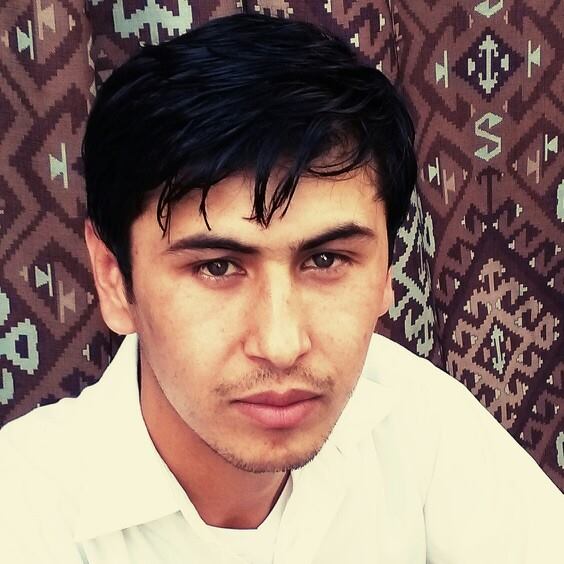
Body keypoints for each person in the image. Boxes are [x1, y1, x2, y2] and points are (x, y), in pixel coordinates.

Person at [0, 13, 561, 564]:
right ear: (113, 278)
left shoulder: (416, 418)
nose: (281, 344)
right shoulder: (23, 514)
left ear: (387, 271)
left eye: (326, 259)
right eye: (217, 267)